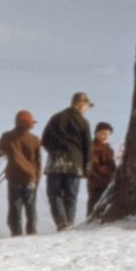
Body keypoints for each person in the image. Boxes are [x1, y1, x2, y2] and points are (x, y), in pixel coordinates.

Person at [41, 92, 93, 230]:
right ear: (81, 104)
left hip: (55, 163)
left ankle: (61, 222)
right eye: (87, 106)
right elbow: (87, 145)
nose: (87, 109)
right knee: (71, 196)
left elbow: (44, 140)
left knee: (54, 194)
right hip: (75, 163)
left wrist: (54, 150)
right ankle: (69, 223)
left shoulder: (56, 118)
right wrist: (87, 163)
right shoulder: (83, 122)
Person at [0, 110, 42, 236]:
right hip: (30, 178)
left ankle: (16, 233)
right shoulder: (35, 140)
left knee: (15, 208)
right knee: (31, 208)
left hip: (14, 177)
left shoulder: (7, 136)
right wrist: (37, 179)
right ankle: (31, 231)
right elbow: (38, 163)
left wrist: (3, 151)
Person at [87, 121, 116, 216]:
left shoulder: (108, 149)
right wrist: (110, 174)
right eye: (103, 133)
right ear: (96, 133)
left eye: (108, 134)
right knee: (95, 203)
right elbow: (94, 165)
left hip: (108, 181)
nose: (105, 136)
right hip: (96, 181)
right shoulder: (92, 147)